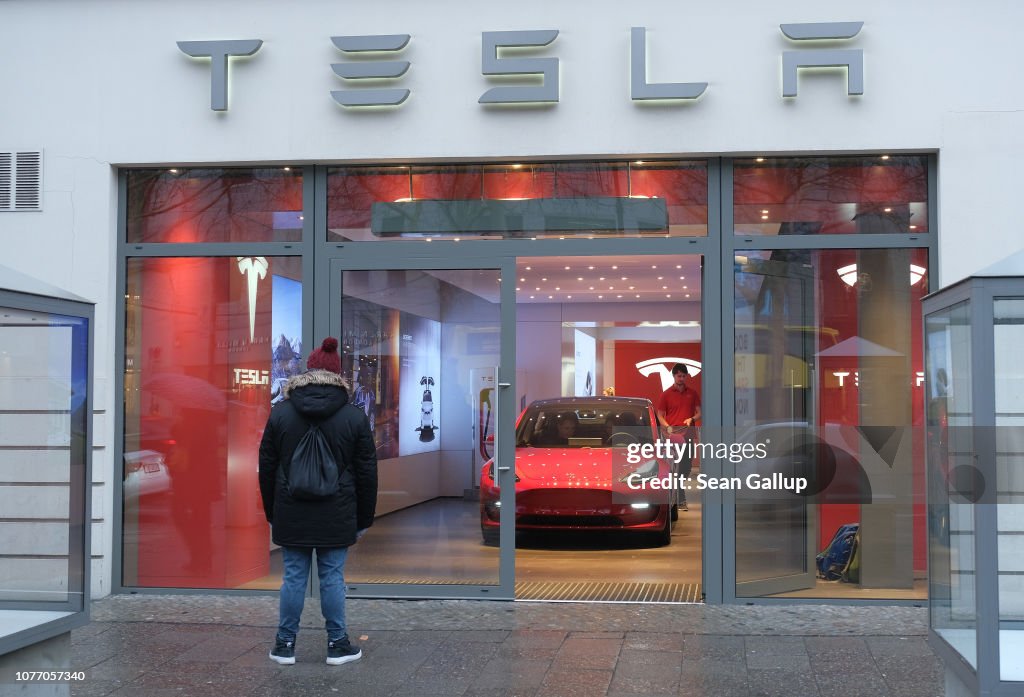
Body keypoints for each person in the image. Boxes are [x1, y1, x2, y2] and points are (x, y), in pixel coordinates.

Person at [258, 337, 378, 666]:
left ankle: (284, 645)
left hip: (291, 509)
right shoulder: (353, 417)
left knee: (293, 577)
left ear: (307, 371)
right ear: (338, 376)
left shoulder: (281, 413)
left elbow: (267, 466)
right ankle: (338, 644)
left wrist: (272, 512)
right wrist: (364, 519)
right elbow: (367, 472)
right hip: (337, 511)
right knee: (332, 578)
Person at [656, 363, 701, 511]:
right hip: (673, 436)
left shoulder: (692, 393)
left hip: (688, 434)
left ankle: (678, 496)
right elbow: (660, 415)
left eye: (683, 376)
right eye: (678, 376)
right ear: (674, 376)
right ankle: (680, 499)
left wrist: (692, 419)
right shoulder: (666, 394)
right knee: (676, 467)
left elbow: (700, 412)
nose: (681, 378)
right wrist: (667, 425)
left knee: (686, 467)